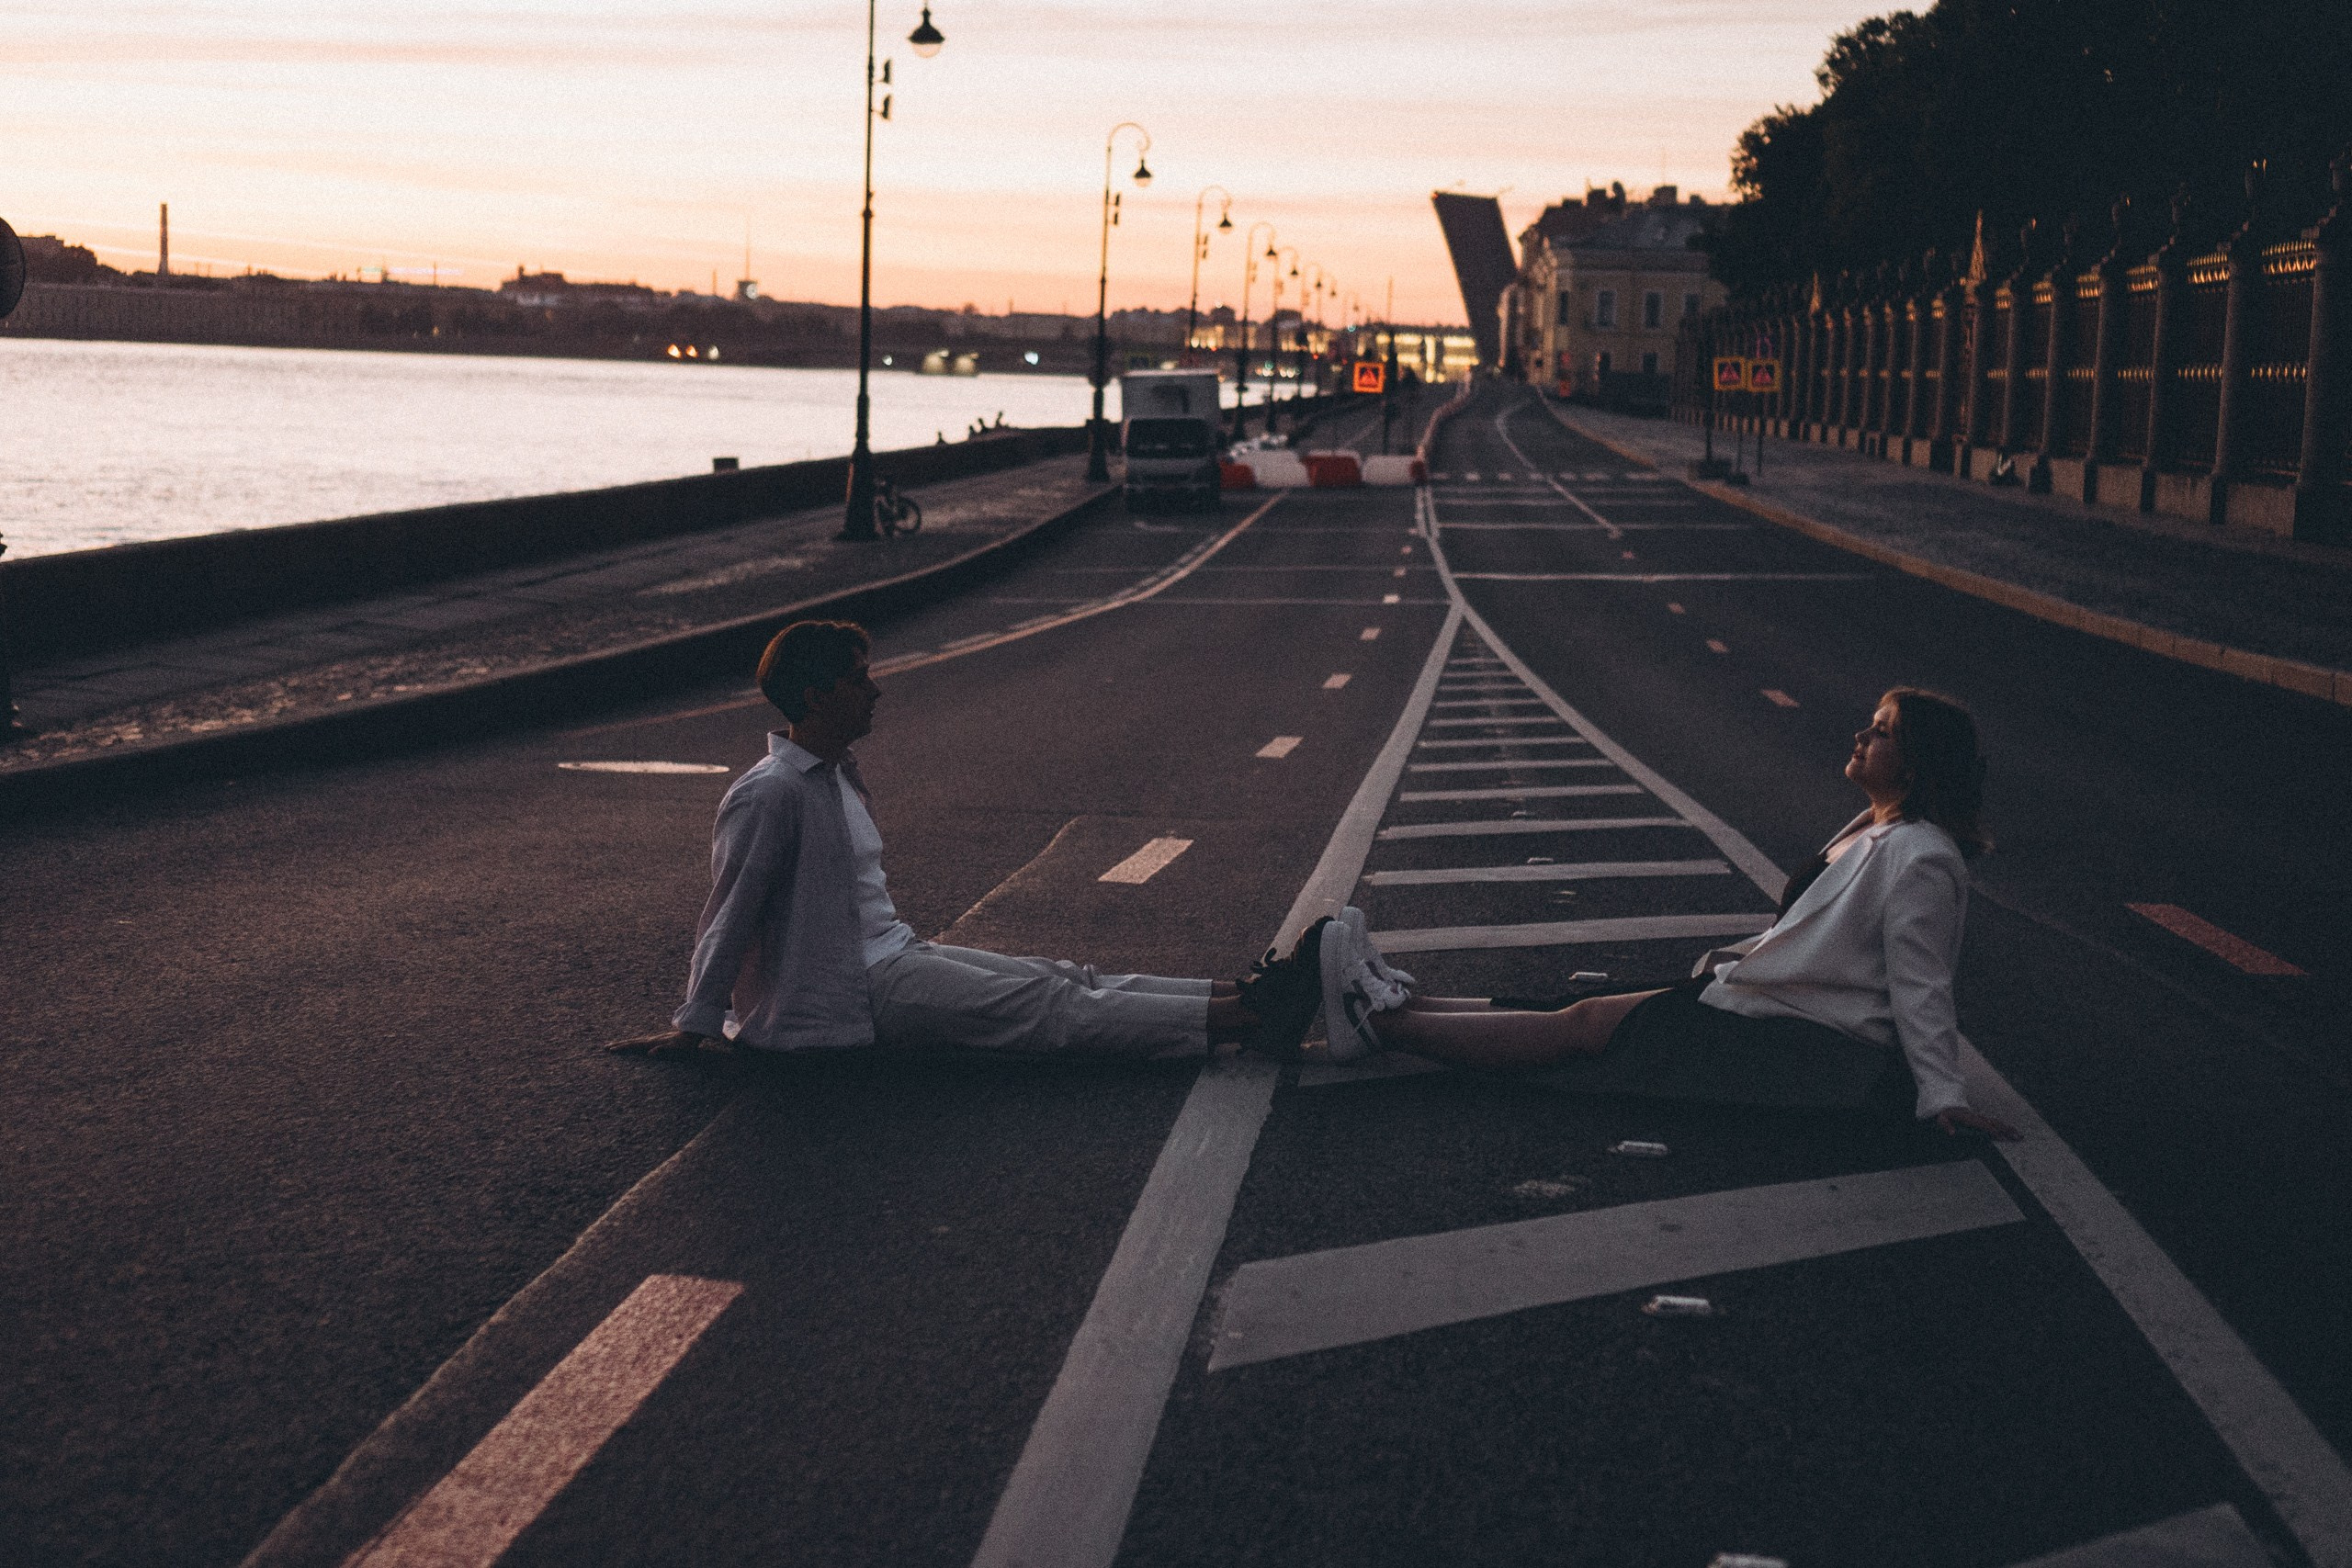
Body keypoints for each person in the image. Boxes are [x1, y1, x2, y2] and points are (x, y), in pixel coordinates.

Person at [606, 620, 1328, 1064]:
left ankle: (1241, 993)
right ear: (819, 695)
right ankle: (1250, 1020)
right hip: (857, 990)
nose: (878, 691)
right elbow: (727, 914)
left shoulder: (833, 778)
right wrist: (694, 1024)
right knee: (1049, 1014)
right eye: (861, 679)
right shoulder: (770, 792)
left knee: (1061, 977)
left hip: (895, 954)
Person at [1314, 688, 2021, 1139]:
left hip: (1810, 1049)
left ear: (1917, 761)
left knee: (1586, 1028)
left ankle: (1379, 1025)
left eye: (1882, 731)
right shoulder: (1874, 829)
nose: (1861, 736)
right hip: (1768, 1012)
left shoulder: (1921, 856)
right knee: (1579, 1010)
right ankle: (1399, 999)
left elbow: (1921, 982)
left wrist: (1942, 1095)